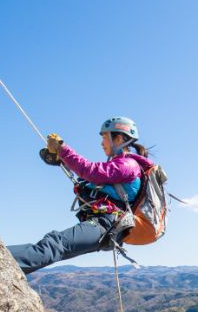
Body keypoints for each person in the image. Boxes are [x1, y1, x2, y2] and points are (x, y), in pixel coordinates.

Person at [8, 116, 154, 274]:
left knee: (54, 244)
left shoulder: (128, 165)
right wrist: (63, 161)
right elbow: (90, 179)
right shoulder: (121, 165)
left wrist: (63, 150)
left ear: (118, 139)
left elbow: (90, 171)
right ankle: (4, 264)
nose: (101, 143)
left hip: (107, 223)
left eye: (105, 137)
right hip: (106, 225)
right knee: (55, 245)